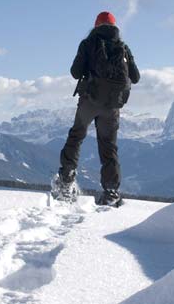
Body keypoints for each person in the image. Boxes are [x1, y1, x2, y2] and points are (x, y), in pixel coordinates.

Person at [54, 11, 140, 207]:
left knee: (76, 136)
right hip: (112, 106)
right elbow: (135, 77)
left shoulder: (88, 43)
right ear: (114, 26)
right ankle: (111, 191)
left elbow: (75, 72)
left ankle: (66, 180)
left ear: (96, 25)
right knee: (109, 147)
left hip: (89, 101)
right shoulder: (123, 47)